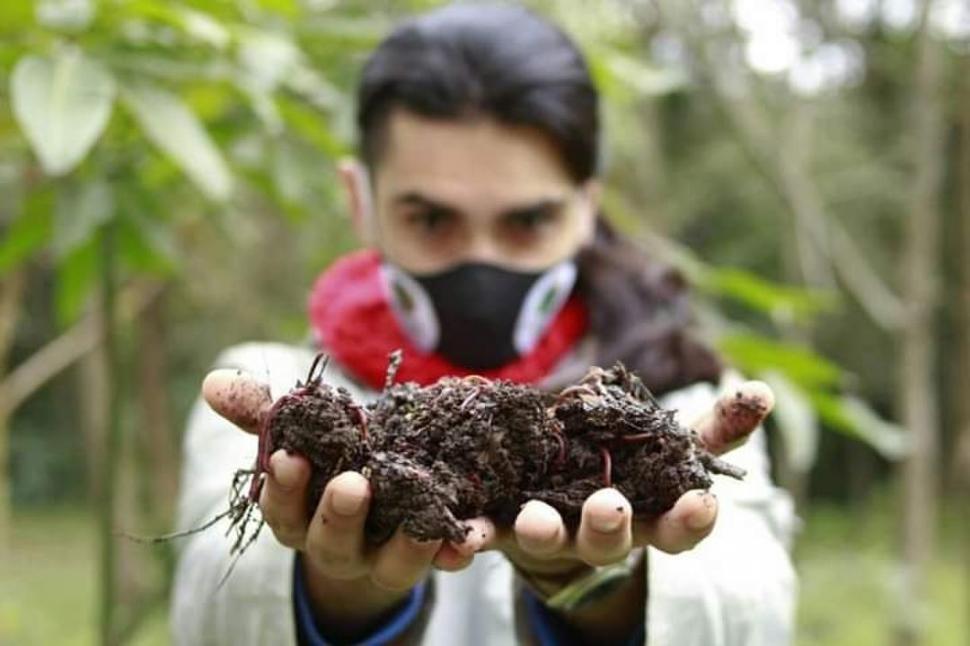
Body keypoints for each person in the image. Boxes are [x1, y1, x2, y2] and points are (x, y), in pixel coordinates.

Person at [170, 4, 796, 645]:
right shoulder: (281, 395)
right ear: (362, 203)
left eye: (526, 223)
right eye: (432, 220)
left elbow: (754, 610)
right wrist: (337, 587)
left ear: (586, 210)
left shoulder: (672, 403)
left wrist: (598, 586)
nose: (481, 267)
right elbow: (210, 604)